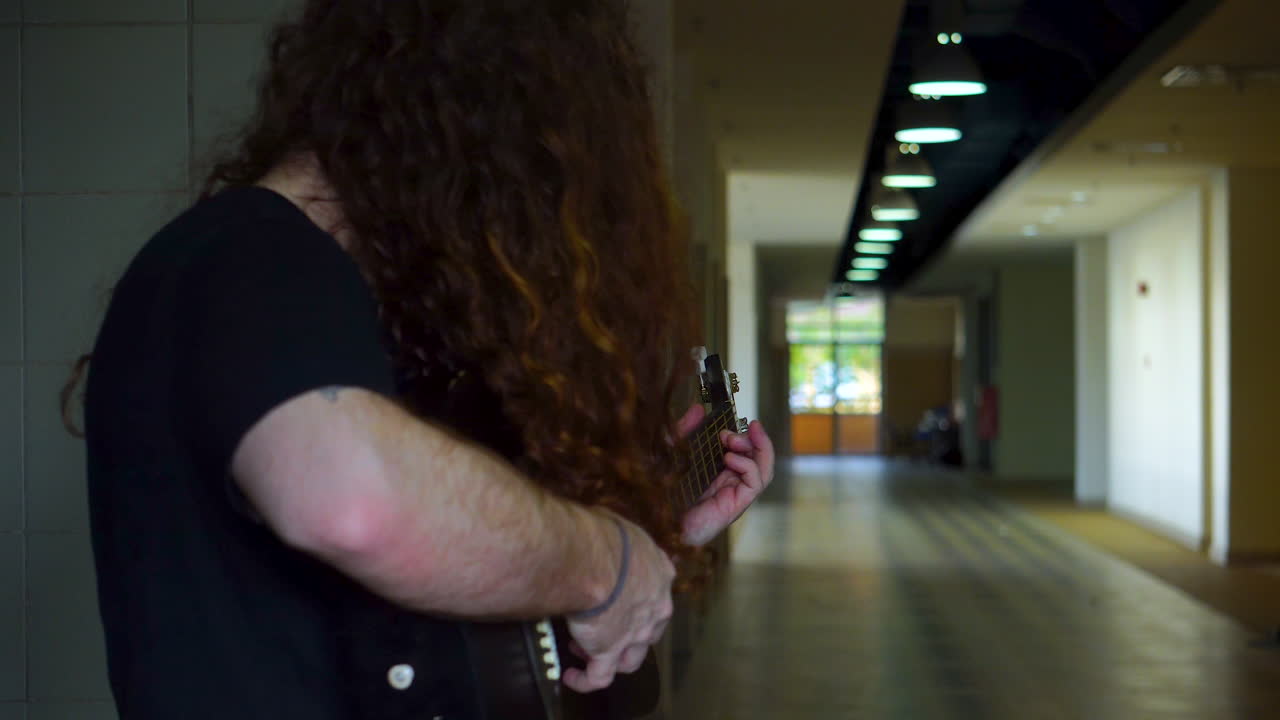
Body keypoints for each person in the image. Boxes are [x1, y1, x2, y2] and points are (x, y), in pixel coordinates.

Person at [71, 2, 774, 719]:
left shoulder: (365, 314)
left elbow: (433, 635)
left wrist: (645, 550)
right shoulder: (246, 257)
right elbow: (355, 503)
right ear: (474, 132)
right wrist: (604, 562)